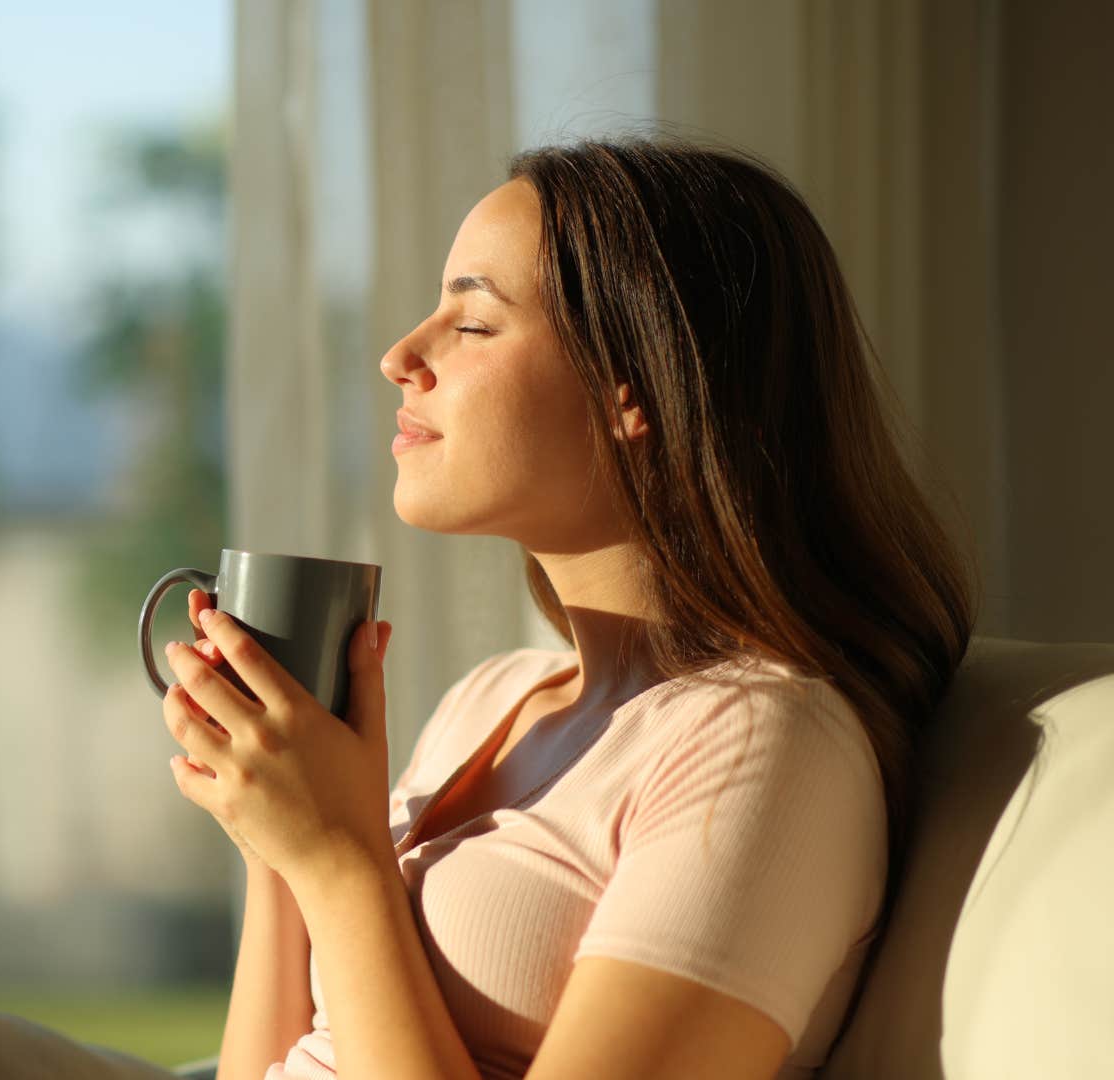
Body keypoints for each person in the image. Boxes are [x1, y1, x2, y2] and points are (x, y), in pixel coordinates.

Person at [158, 135, 974, 1079]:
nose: (397, 357)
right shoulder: (489, 700)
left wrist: (343, 865)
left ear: (638, 393)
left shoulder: (764, 745)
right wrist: (280, 838)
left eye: (472, 324)